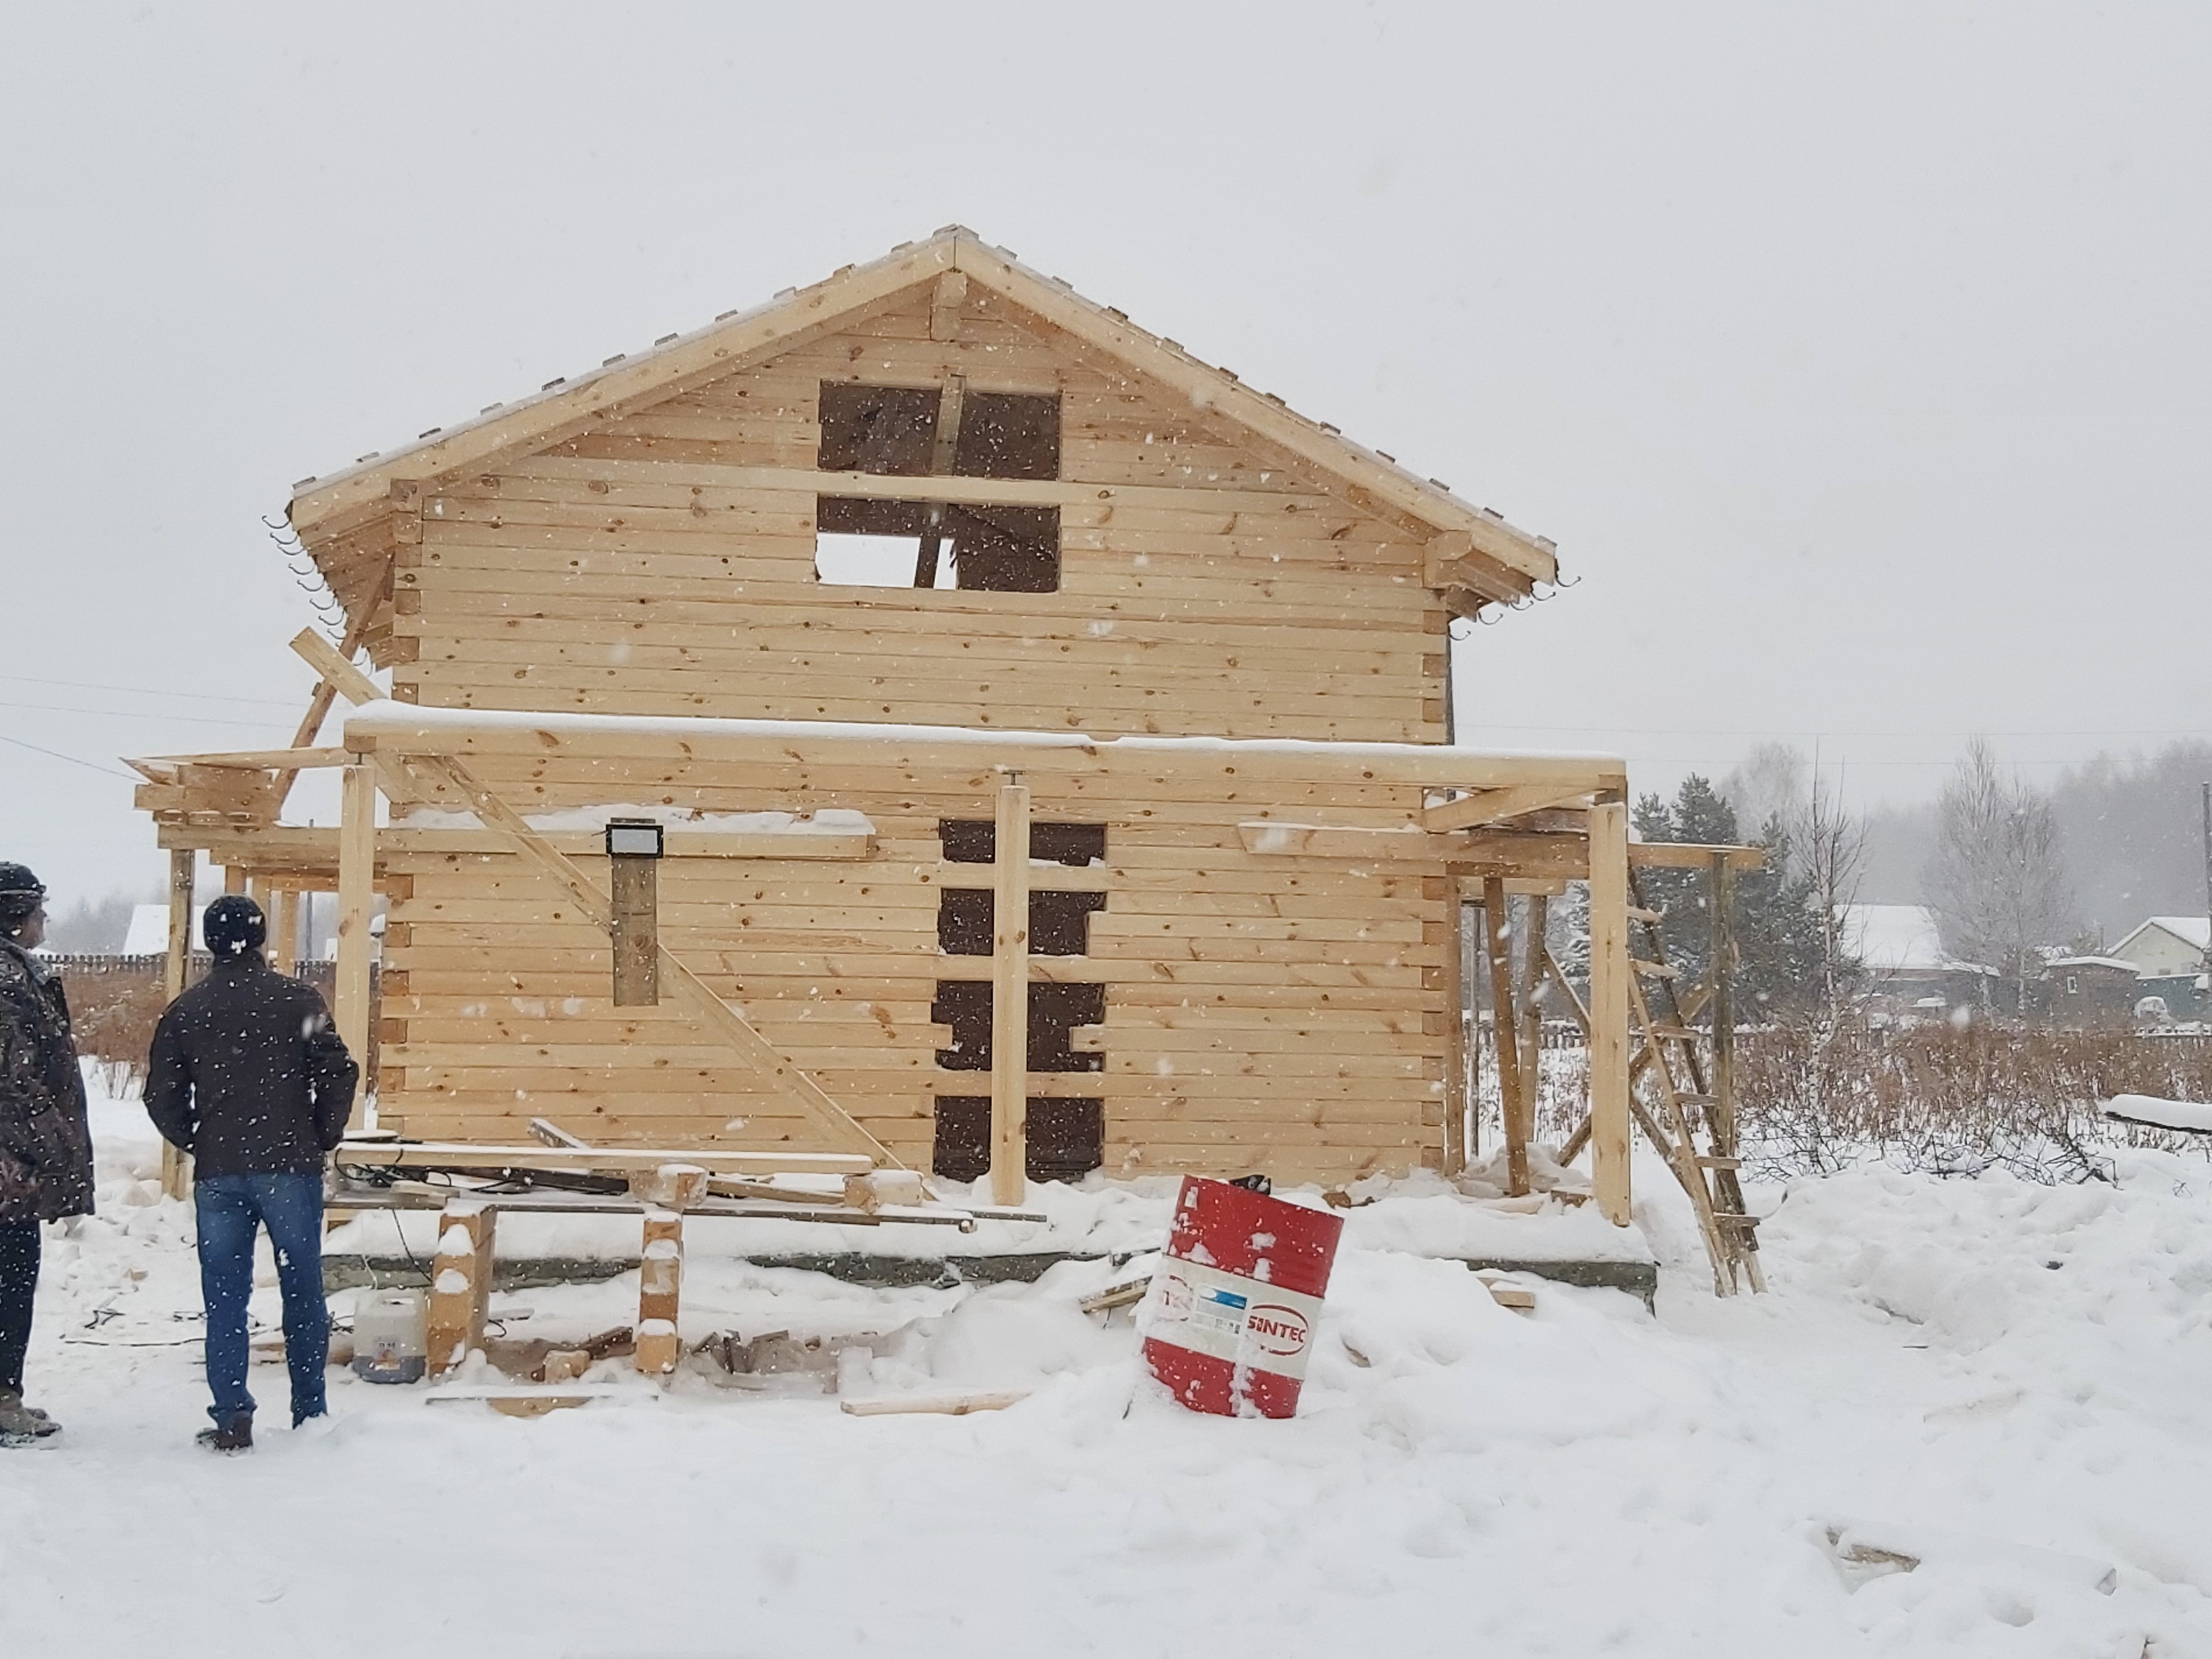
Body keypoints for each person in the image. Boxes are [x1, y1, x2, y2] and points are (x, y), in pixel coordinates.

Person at [145, 894, 358, 1452]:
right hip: (289, 1165)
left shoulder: (187, 1010)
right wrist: (320, 1134)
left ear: (210, 942)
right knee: (303, 1289)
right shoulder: (296, 1001)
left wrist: (198, 1138)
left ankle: (232, 1416)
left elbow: (161, 1095)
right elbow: (339, 1071)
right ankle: (310, 1410)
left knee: (224, 1297)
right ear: (260, 938)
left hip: (220, 1172)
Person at [0, 862, 95, 1447]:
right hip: (12, 1165)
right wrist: (51, 1139)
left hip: (15, 1159)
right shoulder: (9, 982)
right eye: (38, 910)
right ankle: (5, 1396)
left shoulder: (18, 975)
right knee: (11, 1278)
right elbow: (15, 1076)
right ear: (18, 916)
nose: (44, 921)